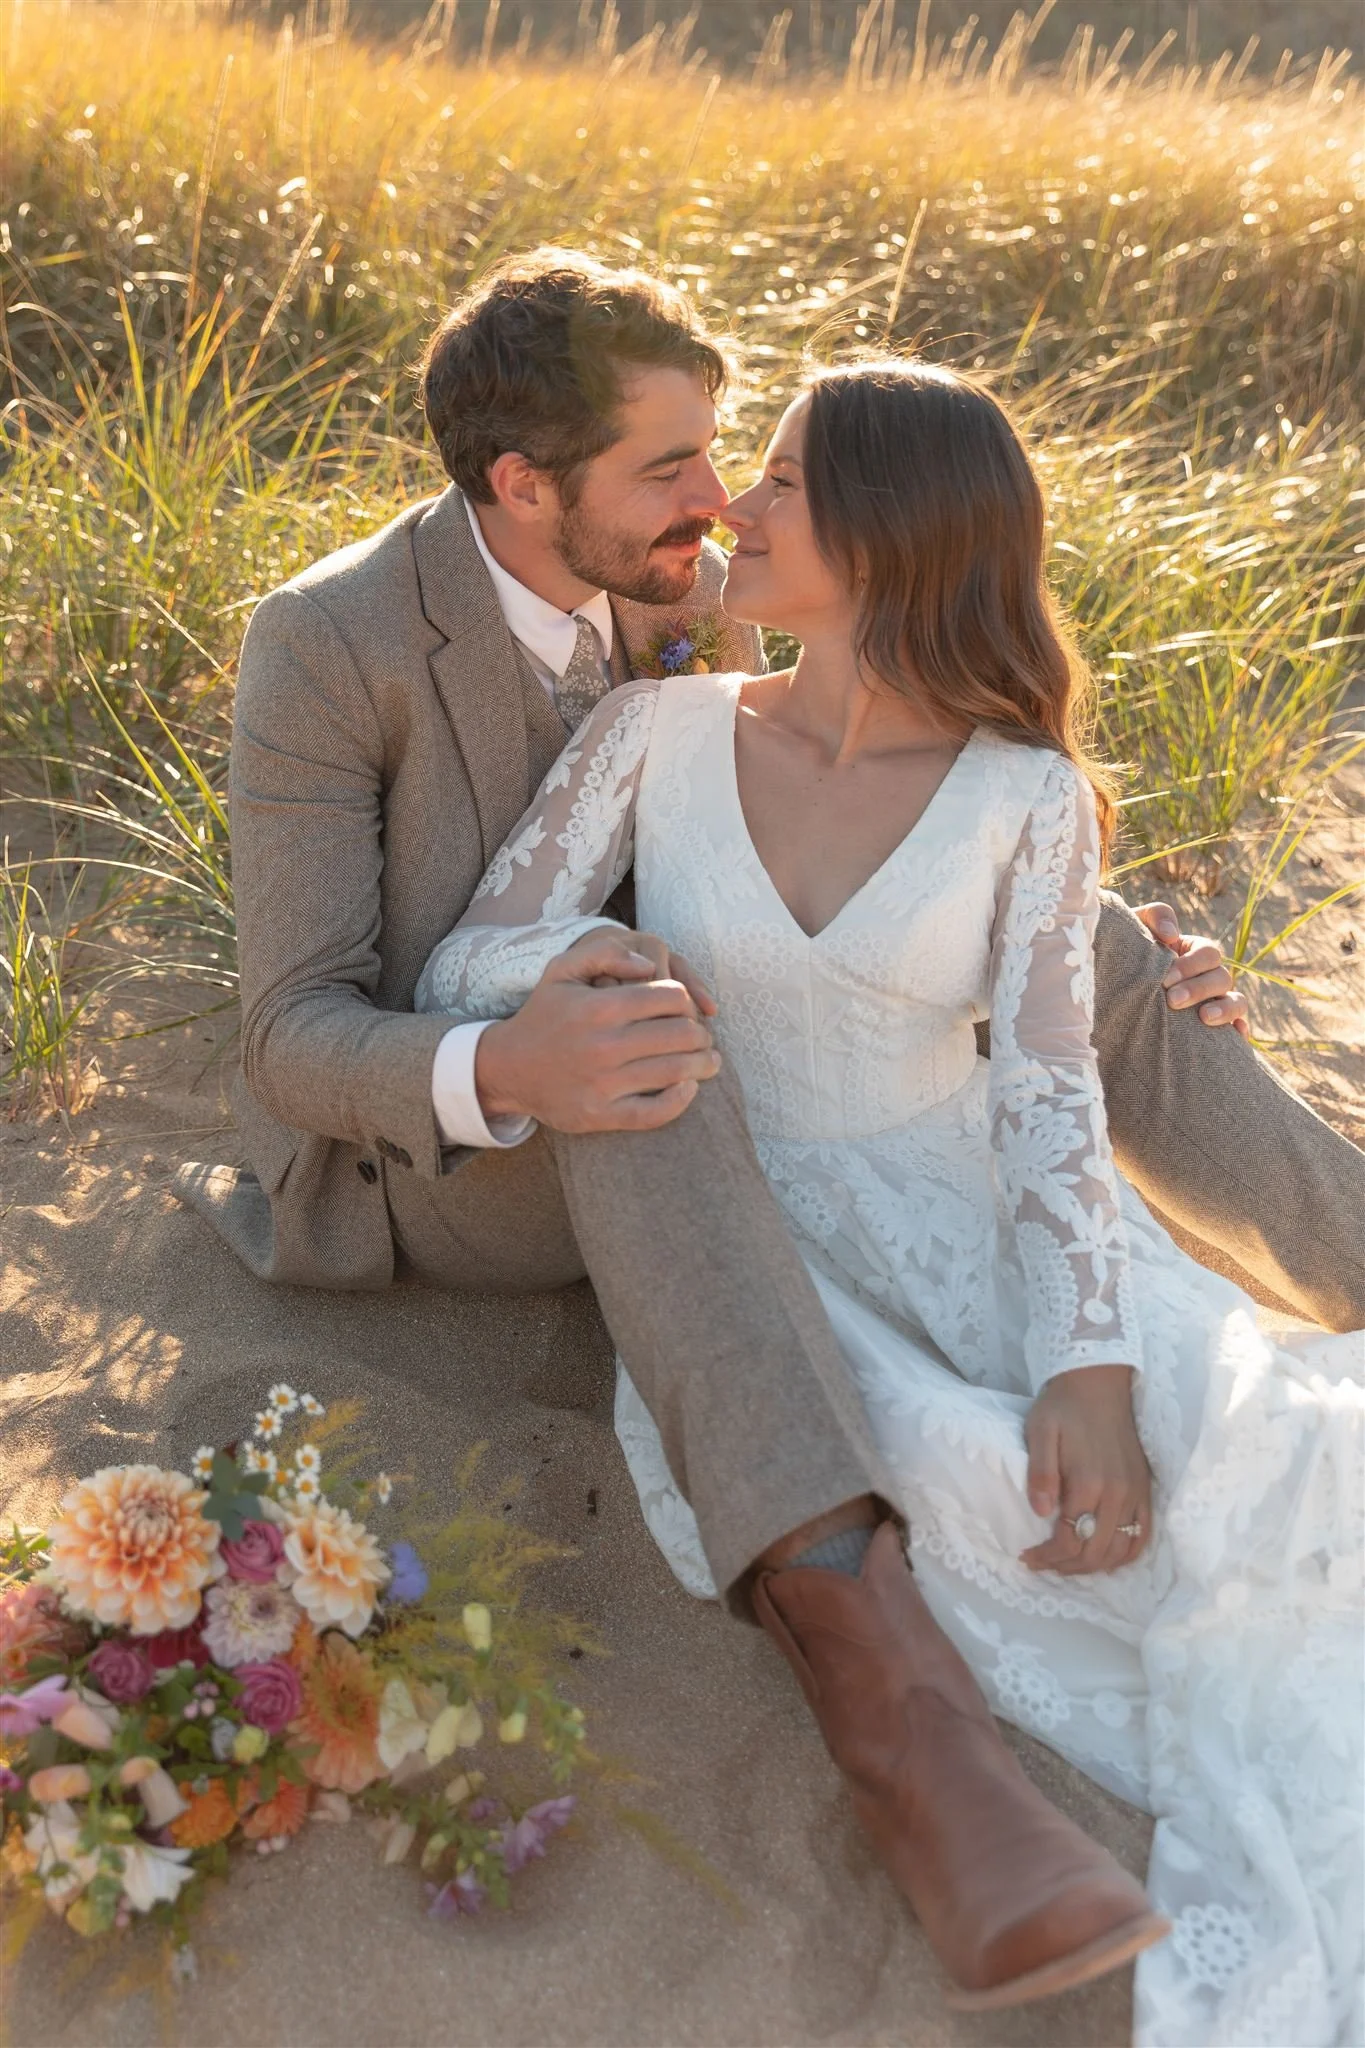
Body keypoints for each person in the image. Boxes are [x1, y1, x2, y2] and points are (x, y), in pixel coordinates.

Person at [173, 251, 1365, 2025]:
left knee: (1094, 948)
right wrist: (517, 1052)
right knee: (641, 1030)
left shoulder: (682, 594)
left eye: (730, 456)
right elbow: (290, 1034)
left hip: (740, 1060)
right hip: (463, 1142)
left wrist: (1079, 914)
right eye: (673, 468)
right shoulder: (333, 641)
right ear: (525, 486)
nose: (717, 500)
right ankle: (897, 1713)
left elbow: (880, 785)